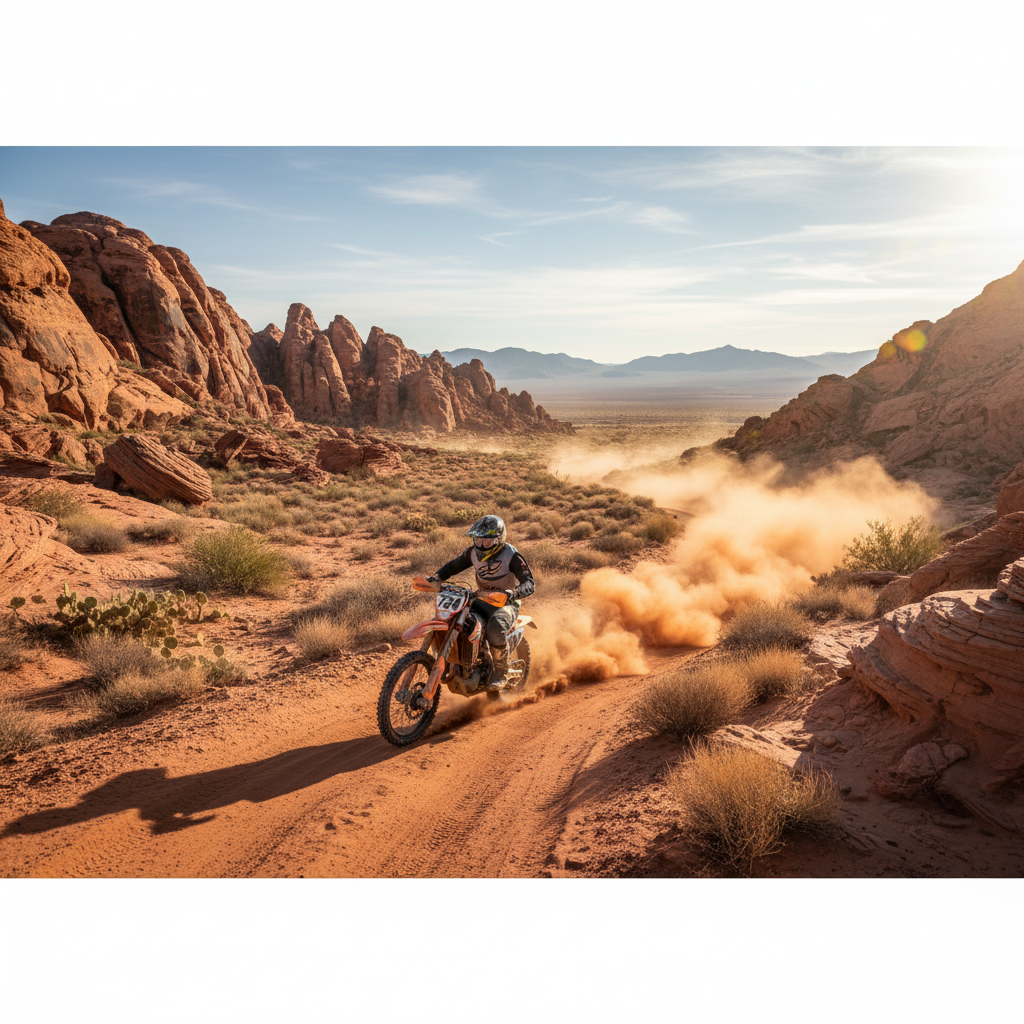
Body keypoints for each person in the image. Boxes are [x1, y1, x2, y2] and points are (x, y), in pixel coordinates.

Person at [429, 514, 535, 689]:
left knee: (495, 627)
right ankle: (461, 660)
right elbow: (454, 566)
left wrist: (512, 593)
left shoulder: (511, 555)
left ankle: (501, 672)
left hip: (506, 603)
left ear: (499, 539)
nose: (481, 546)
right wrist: (436, 578)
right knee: (455, 619)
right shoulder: (472, 553)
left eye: (486, 542)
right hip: (481, 598)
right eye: (478, 541)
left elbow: (530, 583)